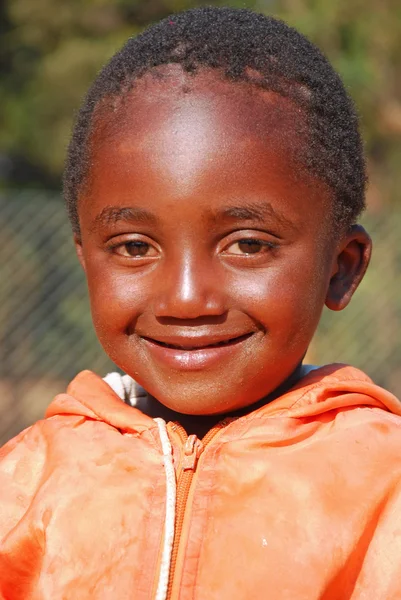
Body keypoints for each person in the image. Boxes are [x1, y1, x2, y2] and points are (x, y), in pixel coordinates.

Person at [1, 6, 401, 599]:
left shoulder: (384, 490)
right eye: (135, 246)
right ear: (86, 259)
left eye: (247, 244)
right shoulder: (24, 486)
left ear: (340, 270)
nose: (187, 299)